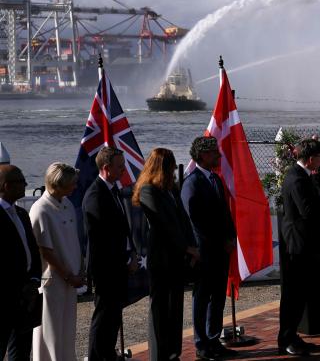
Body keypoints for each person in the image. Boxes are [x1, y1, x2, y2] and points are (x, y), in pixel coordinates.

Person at [133, 148, 199, 361]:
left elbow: (182, 219)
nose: (173, 168)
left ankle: (173, 352)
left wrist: (192, 244)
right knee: (160, 308)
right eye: (170, 164)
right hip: (161, 258)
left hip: (176, 258)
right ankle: (158, 355)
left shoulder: (171, 188)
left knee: (175, 307)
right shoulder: (148, 191)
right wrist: (185, 247)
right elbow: (164, 224)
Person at [181, 137, 236, 360]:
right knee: (202, 298)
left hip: (222, 251)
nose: (218, 155)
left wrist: (231, 237)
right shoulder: (192, 182)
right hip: (205, 252)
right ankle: (201, 343)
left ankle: (214, 339)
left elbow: (225, 213)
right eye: (214, 152)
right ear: (202, 155)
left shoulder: (215, 178)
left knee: (218, 298)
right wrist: (207, 245)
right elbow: (193, 220)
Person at [83, 147, 138, 361]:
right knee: (104, 317)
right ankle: (97, 357)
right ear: (106, 168)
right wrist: (125, 258)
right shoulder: (95, 195)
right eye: (120, 166)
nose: (124, 170)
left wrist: (131, 253)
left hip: (119, 267)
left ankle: (108, 354)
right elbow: (103, 236)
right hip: (106, 268)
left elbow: (123, 228)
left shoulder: (112, 190)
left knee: (114, 317)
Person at [277, 138, 320, 357]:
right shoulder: (297, 179)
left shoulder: (302, 175)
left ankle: (293, 335)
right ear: (310, 159)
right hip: (297, 245)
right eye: (319, 157)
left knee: (300, 294)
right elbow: (307, 210)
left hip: (303, 243)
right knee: (293, 294)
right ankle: (286, 338)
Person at [30, 163, 85, 361]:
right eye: (71, 184)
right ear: (57, 184)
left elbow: (74, 240)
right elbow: (45, 251)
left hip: (70, 280)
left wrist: (80, 270)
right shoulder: (41, 209)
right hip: (53, 281)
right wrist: (69, 275)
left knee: (67, 330)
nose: (75, 187)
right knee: (50, 331)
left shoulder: (67, 204)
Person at [0, 164, 42, 361]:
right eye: (20, 182)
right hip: (6, 296)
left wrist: (34, 280)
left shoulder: (22, 214)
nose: (25, 185)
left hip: (26, 296)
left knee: (22, 351)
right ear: (6, 186)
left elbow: (32, 251)